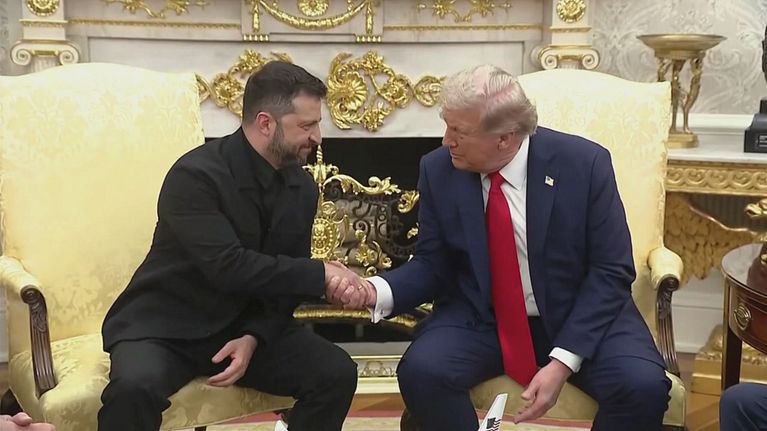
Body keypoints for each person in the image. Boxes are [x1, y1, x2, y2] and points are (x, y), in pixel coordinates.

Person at [333, 64, 672, 431]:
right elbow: (432, 262)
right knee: (423, 371)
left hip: (580, 313)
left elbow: (611, 270)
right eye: (447, 126)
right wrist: (374, 290)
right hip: (482, 317)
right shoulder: (439, 169)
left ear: (505, 138)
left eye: (459, 131)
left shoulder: (584, 164)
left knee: (643, 387)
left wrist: (562, 362)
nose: (446, 141)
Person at [98, 61, 370, 431]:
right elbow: (228, 265)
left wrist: (254, 337)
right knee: (134, 389)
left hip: (240, 327)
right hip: (166, 327)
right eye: (306, 126)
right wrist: (319, 274)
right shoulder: (195, 176)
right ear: (265, 123)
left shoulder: (301, 188)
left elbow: (282, 288)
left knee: (335, 373)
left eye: (317, 124)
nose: (317, 137)